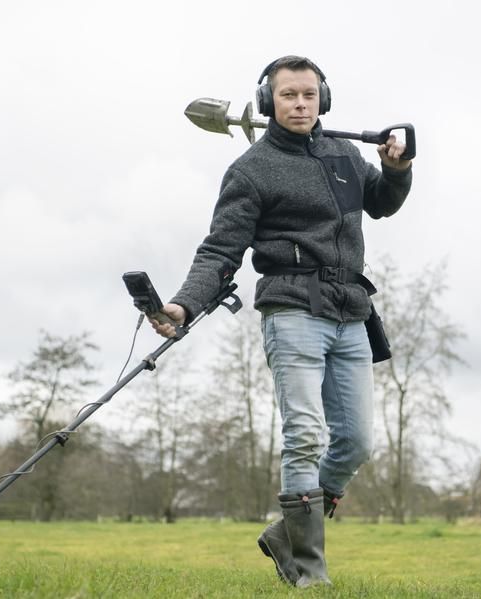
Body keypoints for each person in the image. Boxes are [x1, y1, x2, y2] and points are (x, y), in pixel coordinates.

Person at [150, 55, 412, 587]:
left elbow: (382, 203)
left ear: (323, 99)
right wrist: (183, 304)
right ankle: (310, 573)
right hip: (291, 307)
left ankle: (286, 534)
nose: (300, 104)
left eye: (309, 95)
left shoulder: (343, 154)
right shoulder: (251, 170)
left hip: (350, 310)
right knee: (304, 434)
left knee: (357, 440)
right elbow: (220, 251)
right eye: (289, 95)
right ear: (269, 101)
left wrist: (396, 168)